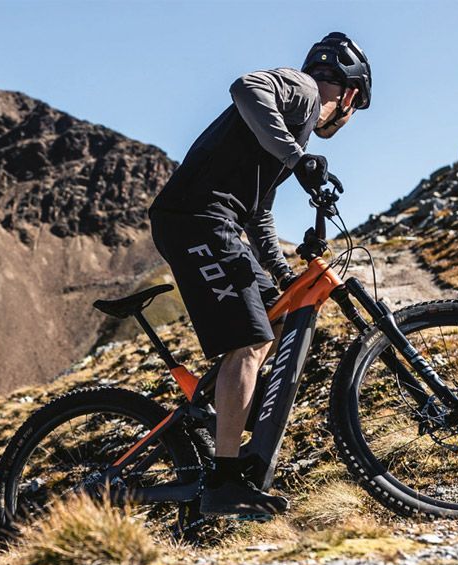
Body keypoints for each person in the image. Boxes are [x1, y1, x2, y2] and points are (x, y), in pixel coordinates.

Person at [148, 32, 371, 516]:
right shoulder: (302, 89)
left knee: (274, 312)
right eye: (356, 109)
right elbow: (246, 86)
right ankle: (225, 480)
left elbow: (260, 214)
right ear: (351, 95)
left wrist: (284, 273)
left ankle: (225, 413)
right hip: (196, 218)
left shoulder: (292, 129)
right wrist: (298, 158)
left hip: (216, 221)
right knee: (250, 341)